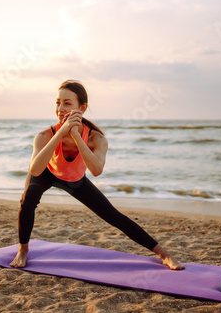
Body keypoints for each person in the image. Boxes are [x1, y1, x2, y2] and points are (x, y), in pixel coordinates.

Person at [10, 80, 184, 270]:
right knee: (27, 201)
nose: (60, 108)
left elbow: (96, 170)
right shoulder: (44, 135)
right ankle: (23, 250)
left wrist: (76, 136)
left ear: (82, 108)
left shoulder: (96, 139)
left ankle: (164, 254)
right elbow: (35, 170)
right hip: (46, 173)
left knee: (113, 216)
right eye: (58, 102)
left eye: (67, 103)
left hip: (74, 180)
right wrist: (60, 133)